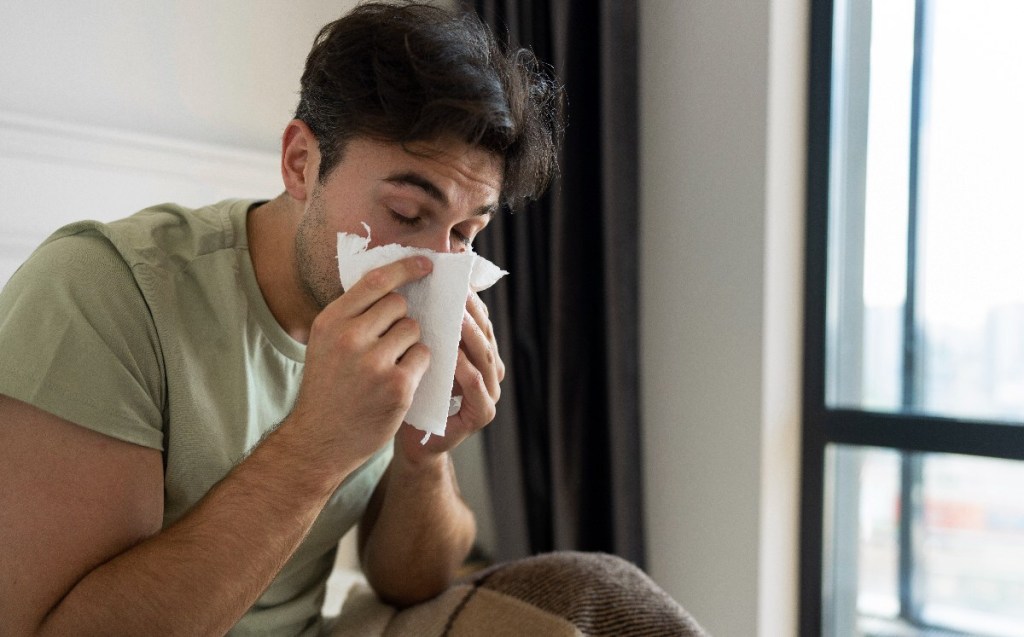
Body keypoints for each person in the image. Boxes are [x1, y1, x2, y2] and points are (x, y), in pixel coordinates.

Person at [0, 3, 706, 636]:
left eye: (465, 232)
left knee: (604, 596)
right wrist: (317, 444)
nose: (435, 263)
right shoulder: (103, 295)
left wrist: (423, 452)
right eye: (406, 213)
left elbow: (410, 580)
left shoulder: (397, 316)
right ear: (301, 162)